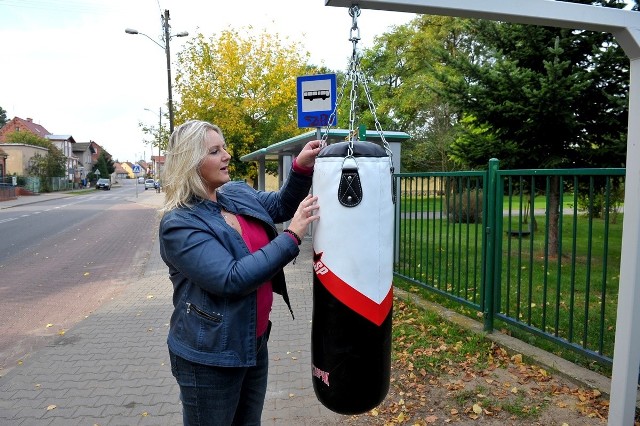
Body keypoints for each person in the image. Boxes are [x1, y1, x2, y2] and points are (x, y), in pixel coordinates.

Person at [158, 120, 321, 425]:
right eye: (215, 150)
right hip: (210, 357)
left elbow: (281, 205)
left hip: (252, 341)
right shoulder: (180, 223)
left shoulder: (234, 194)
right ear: (191, 163)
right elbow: (231, 279)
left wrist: (300, 167)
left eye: (224, 147)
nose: (227, 155)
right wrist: (292, 237)